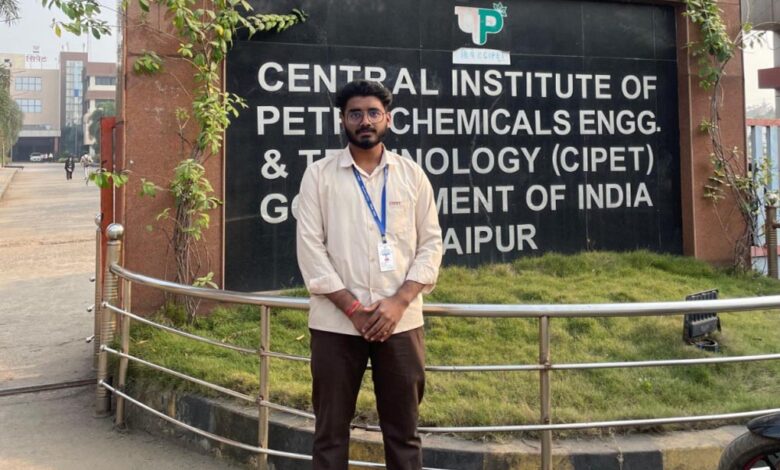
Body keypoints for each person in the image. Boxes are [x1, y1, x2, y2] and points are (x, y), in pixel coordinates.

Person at [296, 80, 443, 470]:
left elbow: (431, 244)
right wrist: (354, 310)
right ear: (342, 120)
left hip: (401, 322)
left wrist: (398, 302)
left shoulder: (412, 176)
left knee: (404, 434)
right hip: (336, 324)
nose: (365, 121)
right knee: (329, 433)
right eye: (355, 114)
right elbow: (310, 250)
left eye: (373, 113)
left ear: (388, 119)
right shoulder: (319, 176)